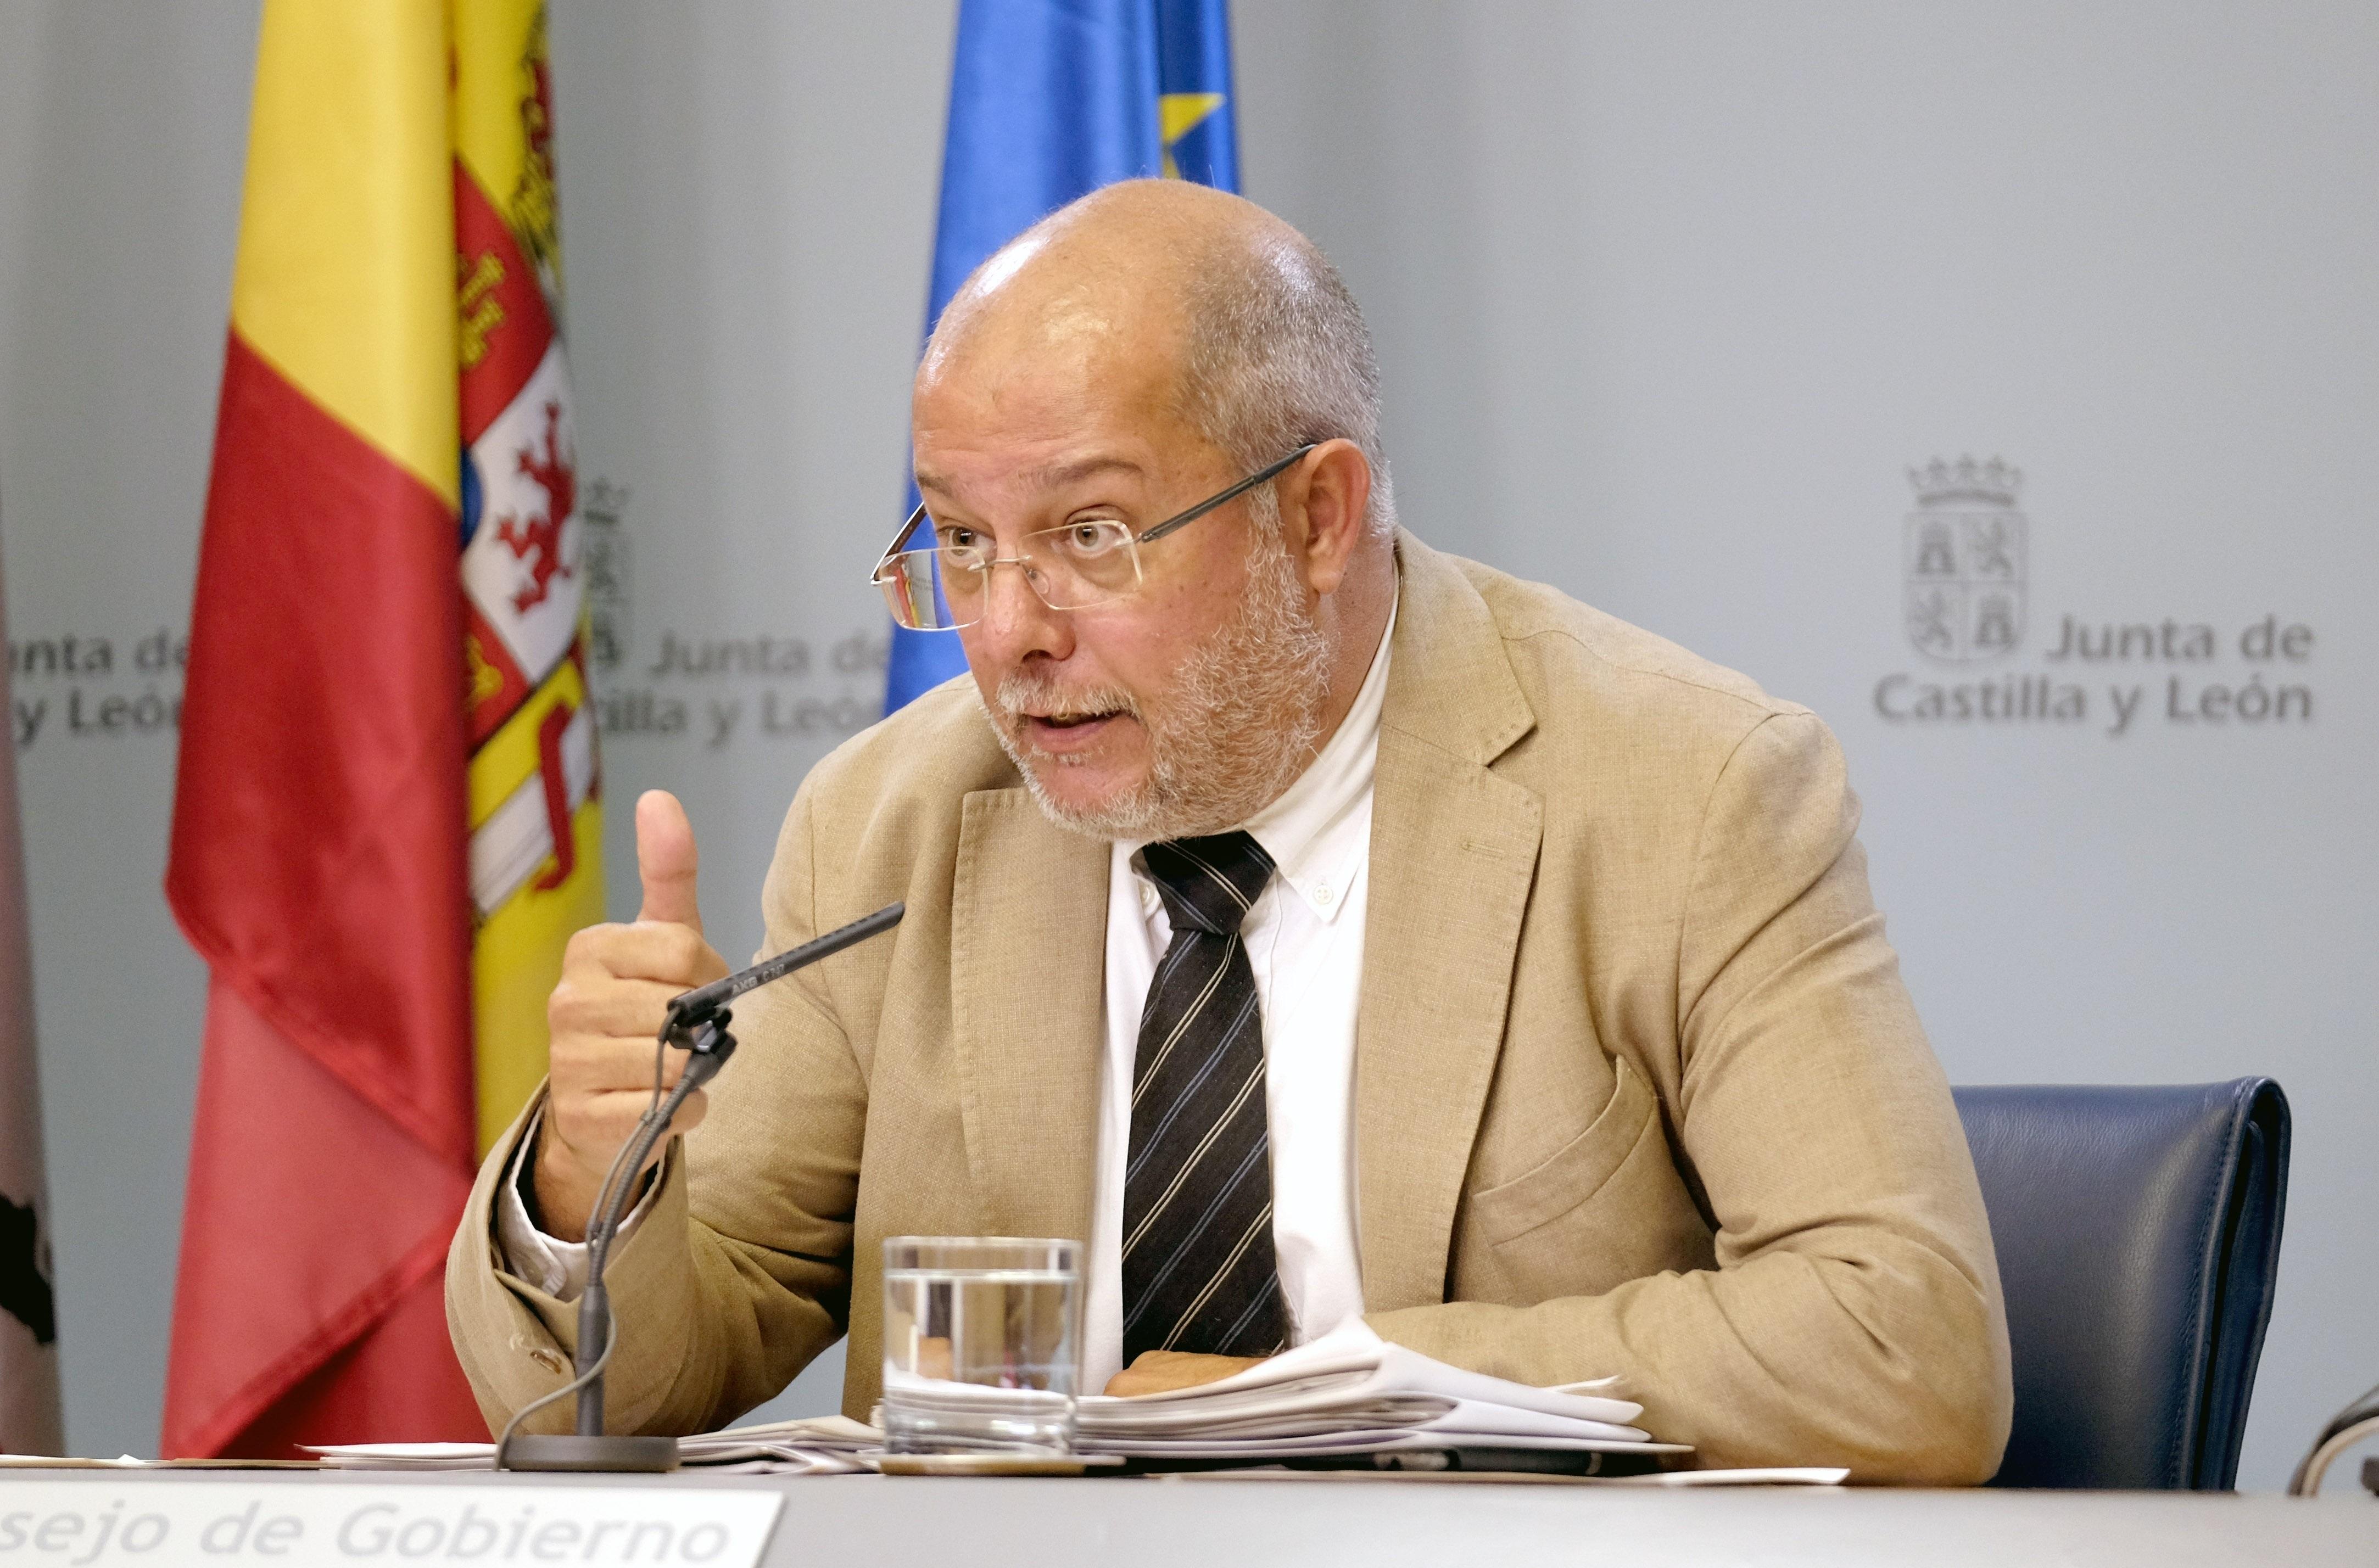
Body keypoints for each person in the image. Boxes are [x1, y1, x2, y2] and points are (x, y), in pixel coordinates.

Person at [445, 180, 2012, 1481]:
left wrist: (1327, 1397)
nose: (1006, 634)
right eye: (963, 541)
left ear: (1317, 517)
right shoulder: (893, 821)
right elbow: (643, 1384)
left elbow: (1901, 1346)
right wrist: (596, 1184)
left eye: (1090, 536)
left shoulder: (1678, 790)